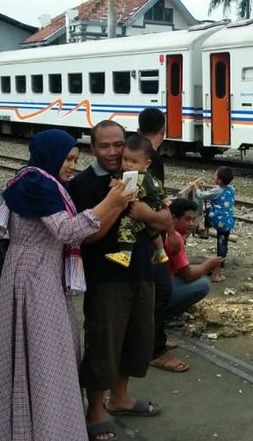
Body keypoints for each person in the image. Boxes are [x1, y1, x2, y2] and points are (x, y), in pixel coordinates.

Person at [0, 130, 135, 440]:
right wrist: (111, 202)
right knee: (44, 353)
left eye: (75, 160)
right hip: (35, 276)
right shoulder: (37, 183)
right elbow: (66, 232)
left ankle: (43, 425)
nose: (71, 166)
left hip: (36, 272)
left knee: (44, 352)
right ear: (51, 156)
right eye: (68, 159)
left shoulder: (34, 179)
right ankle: (45, 429)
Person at [69, 120, 171, 441]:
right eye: (105, 146)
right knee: (105, 342)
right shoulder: (83, 184)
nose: (113, 152)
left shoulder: (145, 175)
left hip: (141, 268)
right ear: (93, 148)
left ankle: (121, 398)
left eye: (118, 145)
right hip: (105, 276)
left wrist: (144, 214)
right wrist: (117, 201)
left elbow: (166, 219)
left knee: (136, 338)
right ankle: (95, 411)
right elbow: (89, 235)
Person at [137, 108, 186, 377]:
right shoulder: (151, 158)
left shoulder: (138, 149)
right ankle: (155, 349)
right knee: (161, 289)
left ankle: (152, 340)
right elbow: (152, 201)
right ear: (163, 130)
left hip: (142, 231)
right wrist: (171, 233)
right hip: (148, 234)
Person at [150, 198, 221, 373]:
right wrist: (209, 264)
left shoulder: (169, 234)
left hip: (156, 284)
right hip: (159, 289)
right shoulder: (175, 239)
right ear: (172, 219)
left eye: (193, 219)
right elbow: (187, 275)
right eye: (187, 219)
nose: (191, 224)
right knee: (202, 284)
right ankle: (163, 320)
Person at [105, 135, 168, 267]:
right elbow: (159, 188)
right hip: (155, 205)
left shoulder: (135, 177)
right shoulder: (149, 174)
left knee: (126, 225)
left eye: (134, 162)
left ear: (147, 163)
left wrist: (115, 185)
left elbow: (128, 192)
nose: (128, 164)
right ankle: (160, 252)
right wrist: (164, 200)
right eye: (125, 159)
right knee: (152, 229)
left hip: (143, 209)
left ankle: (126, 254)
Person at [192, 166, 235, 281]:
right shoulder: (231, 188)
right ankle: (206, 232)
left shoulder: (217, 191)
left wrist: (196, 188)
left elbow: (201, 195)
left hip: (218, 222)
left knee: (221, 246)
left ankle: (217, 274)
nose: (214, 176)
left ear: (219, 180)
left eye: (215, 175)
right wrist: (206, 185)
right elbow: (217, 188)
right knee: (223, 244)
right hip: (228, 221)